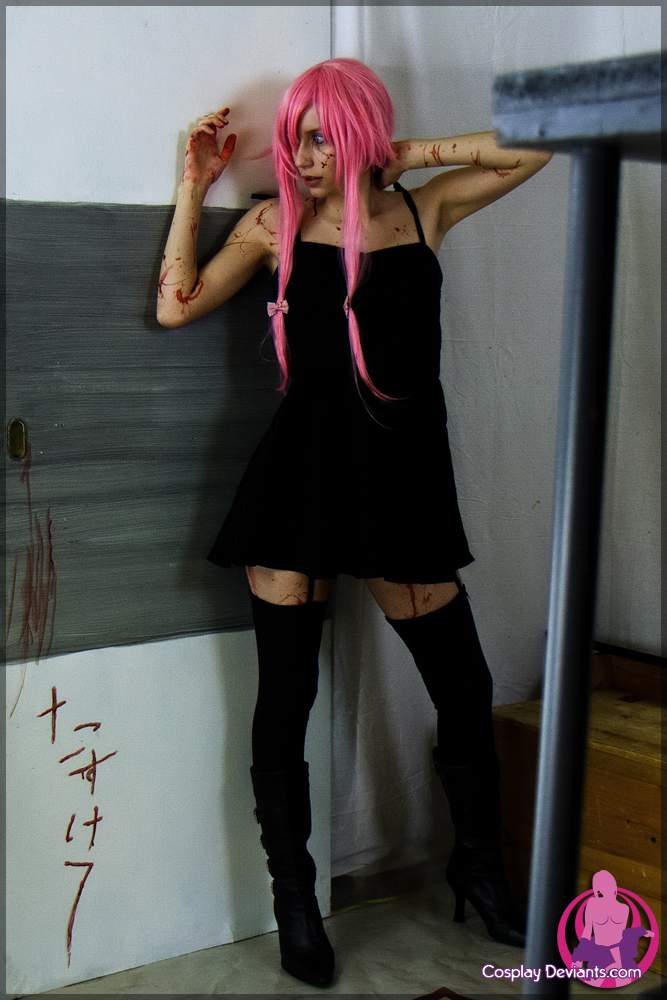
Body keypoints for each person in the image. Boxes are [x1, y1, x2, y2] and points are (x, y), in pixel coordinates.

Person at [157, 57, 552, 990]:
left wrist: (401, 154)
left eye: (320, 137)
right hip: (297, 479)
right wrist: (191, 188)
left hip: (402, 482)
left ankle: (478, 870)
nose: (300, 157)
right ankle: (295, 901)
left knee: (462, 685)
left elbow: (536, 143)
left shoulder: (423, 211)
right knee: (284, 700)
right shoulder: (274, 226)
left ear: (361, 134)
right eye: (294, 139)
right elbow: (175, 307)